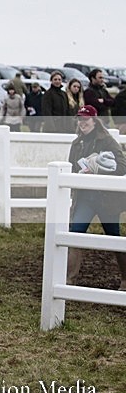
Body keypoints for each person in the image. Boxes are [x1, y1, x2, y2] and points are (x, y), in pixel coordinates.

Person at [65, 105, 126, 291]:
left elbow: (122, 166)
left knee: (113, 236)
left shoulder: (107, 141)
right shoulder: (77, 144)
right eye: (80, 119)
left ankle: (125, 279)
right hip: (85, 197)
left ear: (94, 120)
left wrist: (99, 168)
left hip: (106, 199)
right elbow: (70, 168)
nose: (82, 123)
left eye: (86, 119)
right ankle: (69, 280)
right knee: (75, 233)